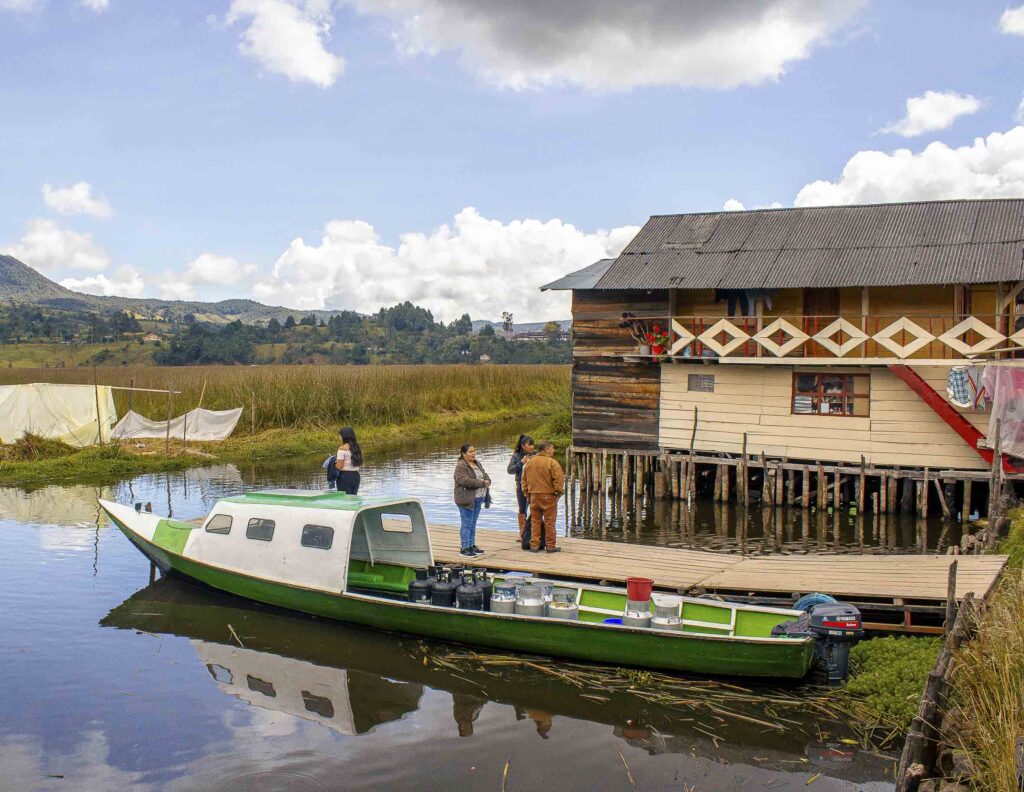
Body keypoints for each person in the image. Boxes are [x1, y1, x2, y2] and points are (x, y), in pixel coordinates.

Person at [521, 440, 564, 553]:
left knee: (535, 521)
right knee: (550, 522)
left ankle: (534, 545)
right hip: (548, 496)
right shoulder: (552, 463)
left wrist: (527, 494)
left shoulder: (530, 462)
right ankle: (550, 546)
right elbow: (558, 480)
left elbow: (524, 481)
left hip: (534, 496)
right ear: (546, 449)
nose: (553, 450)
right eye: (552, 448)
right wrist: (558, 492)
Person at [453, 443, 490, 558]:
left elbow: (485, 475)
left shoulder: (477, 463)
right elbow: (465, 481)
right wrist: (482, 483)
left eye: (474, 451)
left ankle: (471, 545)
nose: (473, 453)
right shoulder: (461, 465)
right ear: (464, 454)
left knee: (473, 523)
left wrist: (488, 480)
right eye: (470, 452)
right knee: (466, 524)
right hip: (466, 499)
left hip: (478, 498)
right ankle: (464, 548)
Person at [507, 434, 539, 550]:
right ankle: (522, 533)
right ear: (523, 446)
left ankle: (535, 532)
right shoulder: (516, 456)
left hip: (535, 487)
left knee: (535, 509)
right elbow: (509, 470)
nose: (531, 447)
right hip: (521, 486)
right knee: (522, 509)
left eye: (532, 444)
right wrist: (521, 463)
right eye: (529, 444)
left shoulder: (536, 454)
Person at [335, 427, 363, 495]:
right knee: (353, 498)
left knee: (345, 499)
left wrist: (334, 463)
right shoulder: (356, 448)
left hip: (345, 476)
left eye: (340, 435)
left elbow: (339, 467)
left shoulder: (342, 448)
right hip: (356, 476)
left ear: (344, 436)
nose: (339, 437)